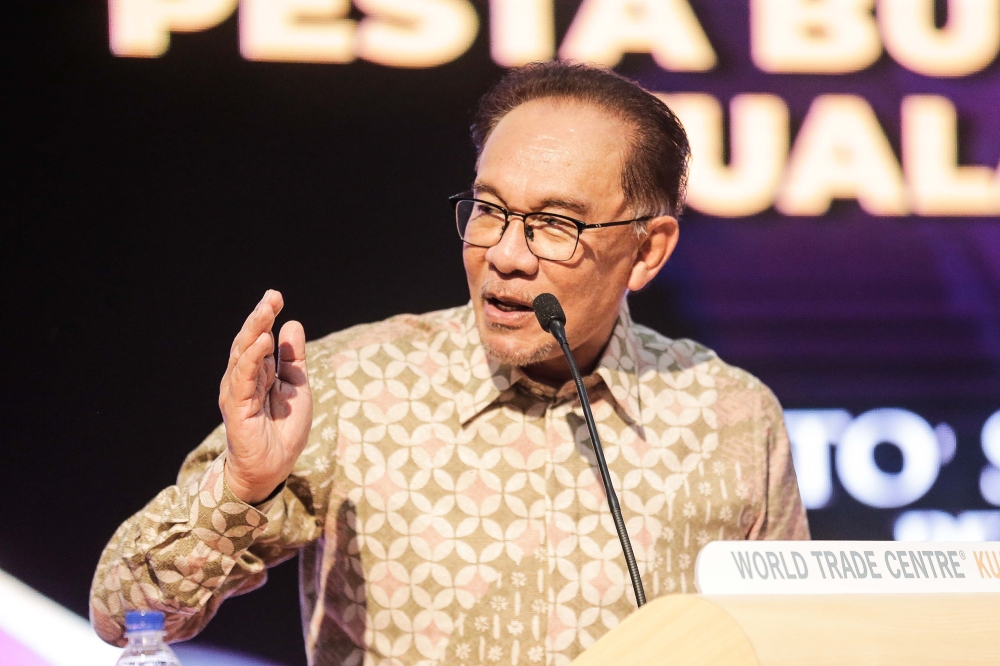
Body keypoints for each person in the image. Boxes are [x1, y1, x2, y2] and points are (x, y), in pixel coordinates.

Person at [90, 61, 808, 666]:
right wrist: (241, 488)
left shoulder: (731, 419)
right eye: (490, 210)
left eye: (555, 225)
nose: (505, 255)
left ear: (648, 249)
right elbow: (124, 616)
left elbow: (797, 649)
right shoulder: (352, 389)